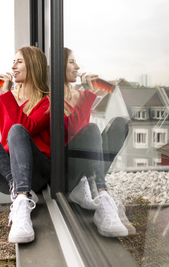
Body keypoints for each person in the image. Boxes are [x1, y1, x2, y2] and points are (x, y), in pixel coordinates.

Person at [0, 46, 51, 244]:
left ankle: (22, 204)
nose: (13, 66)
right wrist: (7, 97)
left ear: (33, 66)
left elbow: (23, 128)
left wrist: (7, 95)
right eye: (13, 61)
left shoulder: (48, 101)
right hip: (9, 173)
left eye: (19, 61)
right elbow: (6, 137)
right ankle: (17, 189)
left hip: (37, 172)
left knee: (18, 130)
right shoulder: (7, 98)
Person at [63, 47, 134, 237]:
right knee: (92, 129)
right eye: (71, 62)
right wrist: (88, 93)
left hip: (85, 161)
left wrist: (88, 92)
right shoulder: (50, 97)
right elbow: (73, 128)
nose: (77, 66)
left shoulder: (81, 94)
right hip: (67, 167)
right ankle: (101, 194)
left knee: (120, 124)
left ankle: (93, 185)